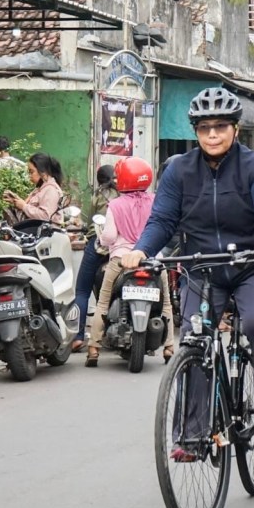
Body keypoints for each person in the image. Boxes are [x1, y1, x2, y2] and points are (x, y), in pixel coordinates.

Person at [120, 87, 254, 440]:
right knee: (194, 338)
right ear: (195, 131)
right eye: (204, 127)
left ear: (235, 129)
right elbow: (162, 220)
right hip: (202, 267)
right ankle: (194, 432)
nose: (212, 134)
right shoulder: (179, 170)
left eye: (220, 126)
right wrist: (141, 249)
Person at [87, 157, 173, 366]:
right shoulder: (156, 200)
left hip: (121, 260)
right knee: (166, 303)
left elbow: (108, 237)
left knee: (103, 302)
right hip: (153, 260)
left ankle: (94, 348)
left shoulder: (115, 205)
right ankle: (170, 346)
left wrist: (103, 239)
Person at [71, 163, 119, 352]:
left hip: (97, 245)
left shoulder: (97, 195)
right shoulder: (124, 194)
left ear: (99, 180)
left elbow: (90, 220)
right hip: (119, 247)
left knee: (82, 290)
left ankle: (77, 337)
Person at [2, 153, 64, 224]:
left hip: (45, 230)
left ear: (43, 171)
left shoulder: (51, 190)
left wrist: (24, 206)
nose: (29, 176)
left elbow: (45, 216)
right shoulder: (40, 188)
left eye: (31, 172)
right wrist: (15, 201)